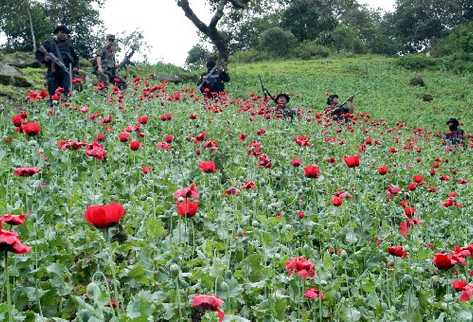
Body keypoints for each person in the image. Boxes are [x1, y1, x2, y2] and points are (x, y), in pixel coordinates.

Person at [35, 25, 79, 103]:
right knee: (53, 93)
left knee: (67, 93)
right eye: (62, 32)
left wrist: (76, 67)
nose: (64, 34)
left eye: (66, 33)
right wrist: (45, 58)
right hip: (53, 72)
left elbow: (75, 58)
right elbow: (38, 53)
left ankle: (66, 108)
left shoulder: (69, 45)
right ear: (57, 33)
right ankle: (53, 110)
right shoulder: (49, 43)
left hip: (66, 72)